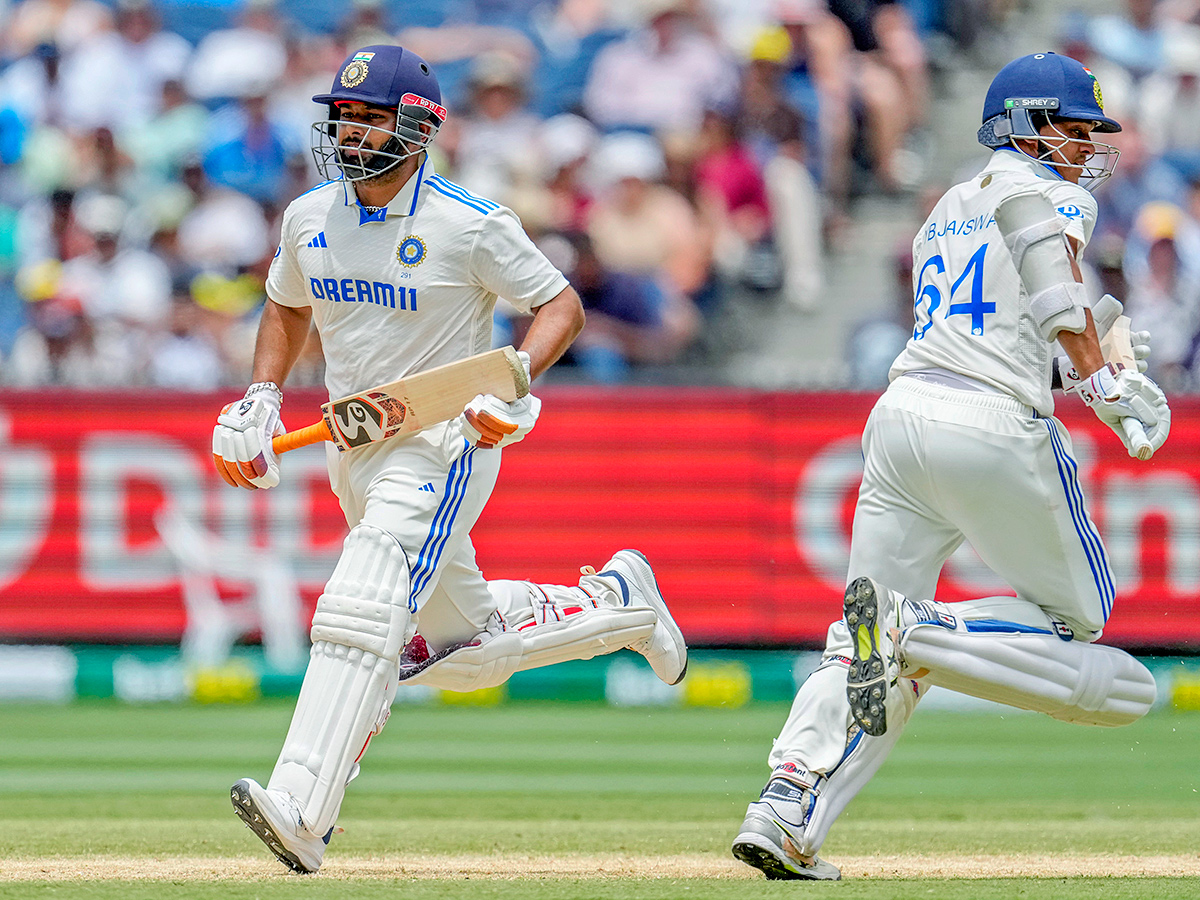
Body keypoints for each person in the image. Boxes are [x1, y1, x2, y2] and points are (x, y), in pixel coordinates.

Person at [210, 44, 688, 875]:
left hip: (445, 442)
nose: (351, 134)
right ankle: (618, 601)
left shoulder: (469, 223)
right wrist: (260, 396)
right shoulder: (308, 218)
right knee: (460, 650)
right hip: (354, 447)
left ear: (419, 127)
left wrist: (512, 384)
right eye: (343, 118)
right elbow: (287, 307)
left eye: (370, 118)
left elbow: (559, 305)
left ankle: (304, 805)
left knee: (365, 597)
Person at [731, 51, 1169, 881]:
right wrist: (1108, 383)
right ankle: (921, 627)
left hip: (899, 416)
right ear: (1029, 126)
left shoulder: (948, 205)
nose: (1087, 149)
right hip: (990, 420)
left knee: (857, 651)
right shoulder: (1047, 192)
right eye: (1075, 131)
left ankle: (790, 804)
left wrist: (1093, 344)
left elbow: (1028, 314)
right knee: (1086, 631)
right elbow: (1049, 289)